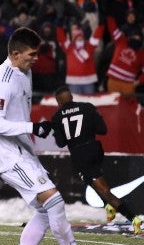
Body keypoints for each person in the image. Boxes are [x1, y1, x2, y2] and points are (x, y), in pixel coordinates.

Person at [0, 27, 111, 245]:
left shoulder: (25, 71)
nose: (36, 58)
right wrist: (31, 127)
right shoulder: (4, 80)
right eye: (31, 54)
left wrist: (36, 129)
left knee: (46, 210)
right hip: (10, 157)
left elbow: (17, 115)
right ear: (15, 53)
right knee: (54, 202)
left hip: (24, 152)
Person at [50, 86, 142, 234]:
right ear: (71, 97)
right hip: (95, 150)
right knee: (89, 179)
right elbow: (102, 129)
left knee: (104, 190)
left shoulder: (56, 117)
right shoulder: (87, 107)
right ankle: (108, 206)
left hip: (80, 155)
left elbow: (61, 143)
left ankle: (134, 219)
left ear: (59, 102)